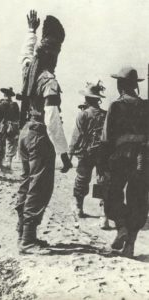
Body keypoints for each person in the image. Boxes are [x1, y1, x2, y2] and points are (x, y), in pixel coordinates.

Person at [16, 10, 68, 254]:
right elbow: (52, 119)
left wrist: (31, 31)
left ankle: (22, 233)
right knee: (40, 186)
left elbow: (25, 54)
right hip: (40, 135)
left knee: (27, 183)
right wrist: (64, 153)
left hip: (25, 133)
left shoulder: (29, 70)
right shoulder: (48, 80)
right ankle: (28, 240)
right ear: (53, 54)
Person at [101, 66, 149, 258]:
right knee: (137, 200)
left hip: (120, 157)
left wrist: (103, 164)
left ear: (120, 85)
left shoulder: (115, 106)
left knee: (112, 193)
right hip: (143, 158)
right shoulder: (146, 106)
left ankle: (121, 227)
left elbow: (106, 139)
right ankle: (130, 245)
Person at [69, 81, 109, 229]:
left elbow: (76, 137)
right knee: (103, 181)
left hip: (86, 152)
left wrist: (69, 154)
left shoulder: (83, 115)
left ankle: (79, 208)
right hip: (103, 153)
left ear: (87, 99)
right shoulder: (106, 115)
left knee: (82, 179)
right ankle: (104, 215)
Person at [0, 87, 19, 171]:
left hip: (1, 127)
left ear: (4, 94)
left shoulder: (0, 103)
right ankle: (9, 164)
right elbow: (18, 117)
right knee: (10, 144)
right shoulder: (15, 105)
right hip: (12, 127)